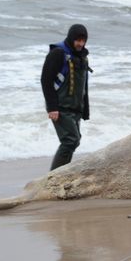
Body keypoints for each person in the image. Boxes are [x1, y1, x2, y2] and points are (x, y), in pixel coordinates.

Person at [41, 24, 92, 170]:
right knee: (70, 141)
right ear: (71, 38)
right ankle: (53, 179)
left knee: (74, 141)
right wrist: (52, 107)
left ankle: (61, 175)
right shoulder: (58, 53)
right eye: (78, 40)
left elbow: (84, 86)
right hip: (61, 107)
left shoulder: (83, 57)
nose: (80, 44)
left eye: (83, 41)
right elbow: (45, 80)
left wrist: (85, 110)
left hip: (76, 108)